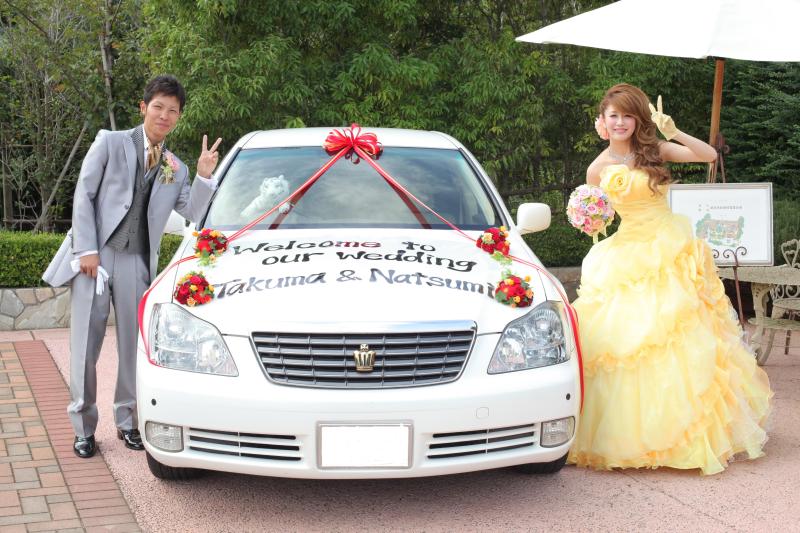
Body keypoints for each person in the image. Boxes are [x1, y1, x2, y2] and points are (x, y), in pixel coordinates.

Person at [568, 83, 773, 475]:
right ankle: (628, 437)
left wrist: (673, 131)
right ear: (603, 121)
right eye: (614, 116)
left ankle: (689, 434)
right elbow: (598, 217)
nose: (621, 122)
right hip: (626, 254)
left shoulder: (655, 150)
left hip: (667, 246)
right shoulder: (597, 168)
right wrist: (588, 219)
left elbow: (708, 155)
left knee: (680, 337)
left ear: (637, 120)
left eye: (628, 116)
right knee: (626, 343)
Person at [42, 75, 222, 458]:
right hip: (95, 257)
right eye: (158, 107)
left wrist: (205, 176)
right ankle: (83, 428)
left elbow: (193, 212)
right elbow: (84, 193)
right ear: (144, 108)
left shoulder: (176, 167)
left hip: (137, 262)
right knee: (85, 345)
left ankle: (128, 421)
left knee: (133, 347)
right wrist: (86, 249)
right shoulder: (110, 142)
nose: (164, 115)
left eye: (172, 110)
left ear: (178, 117)